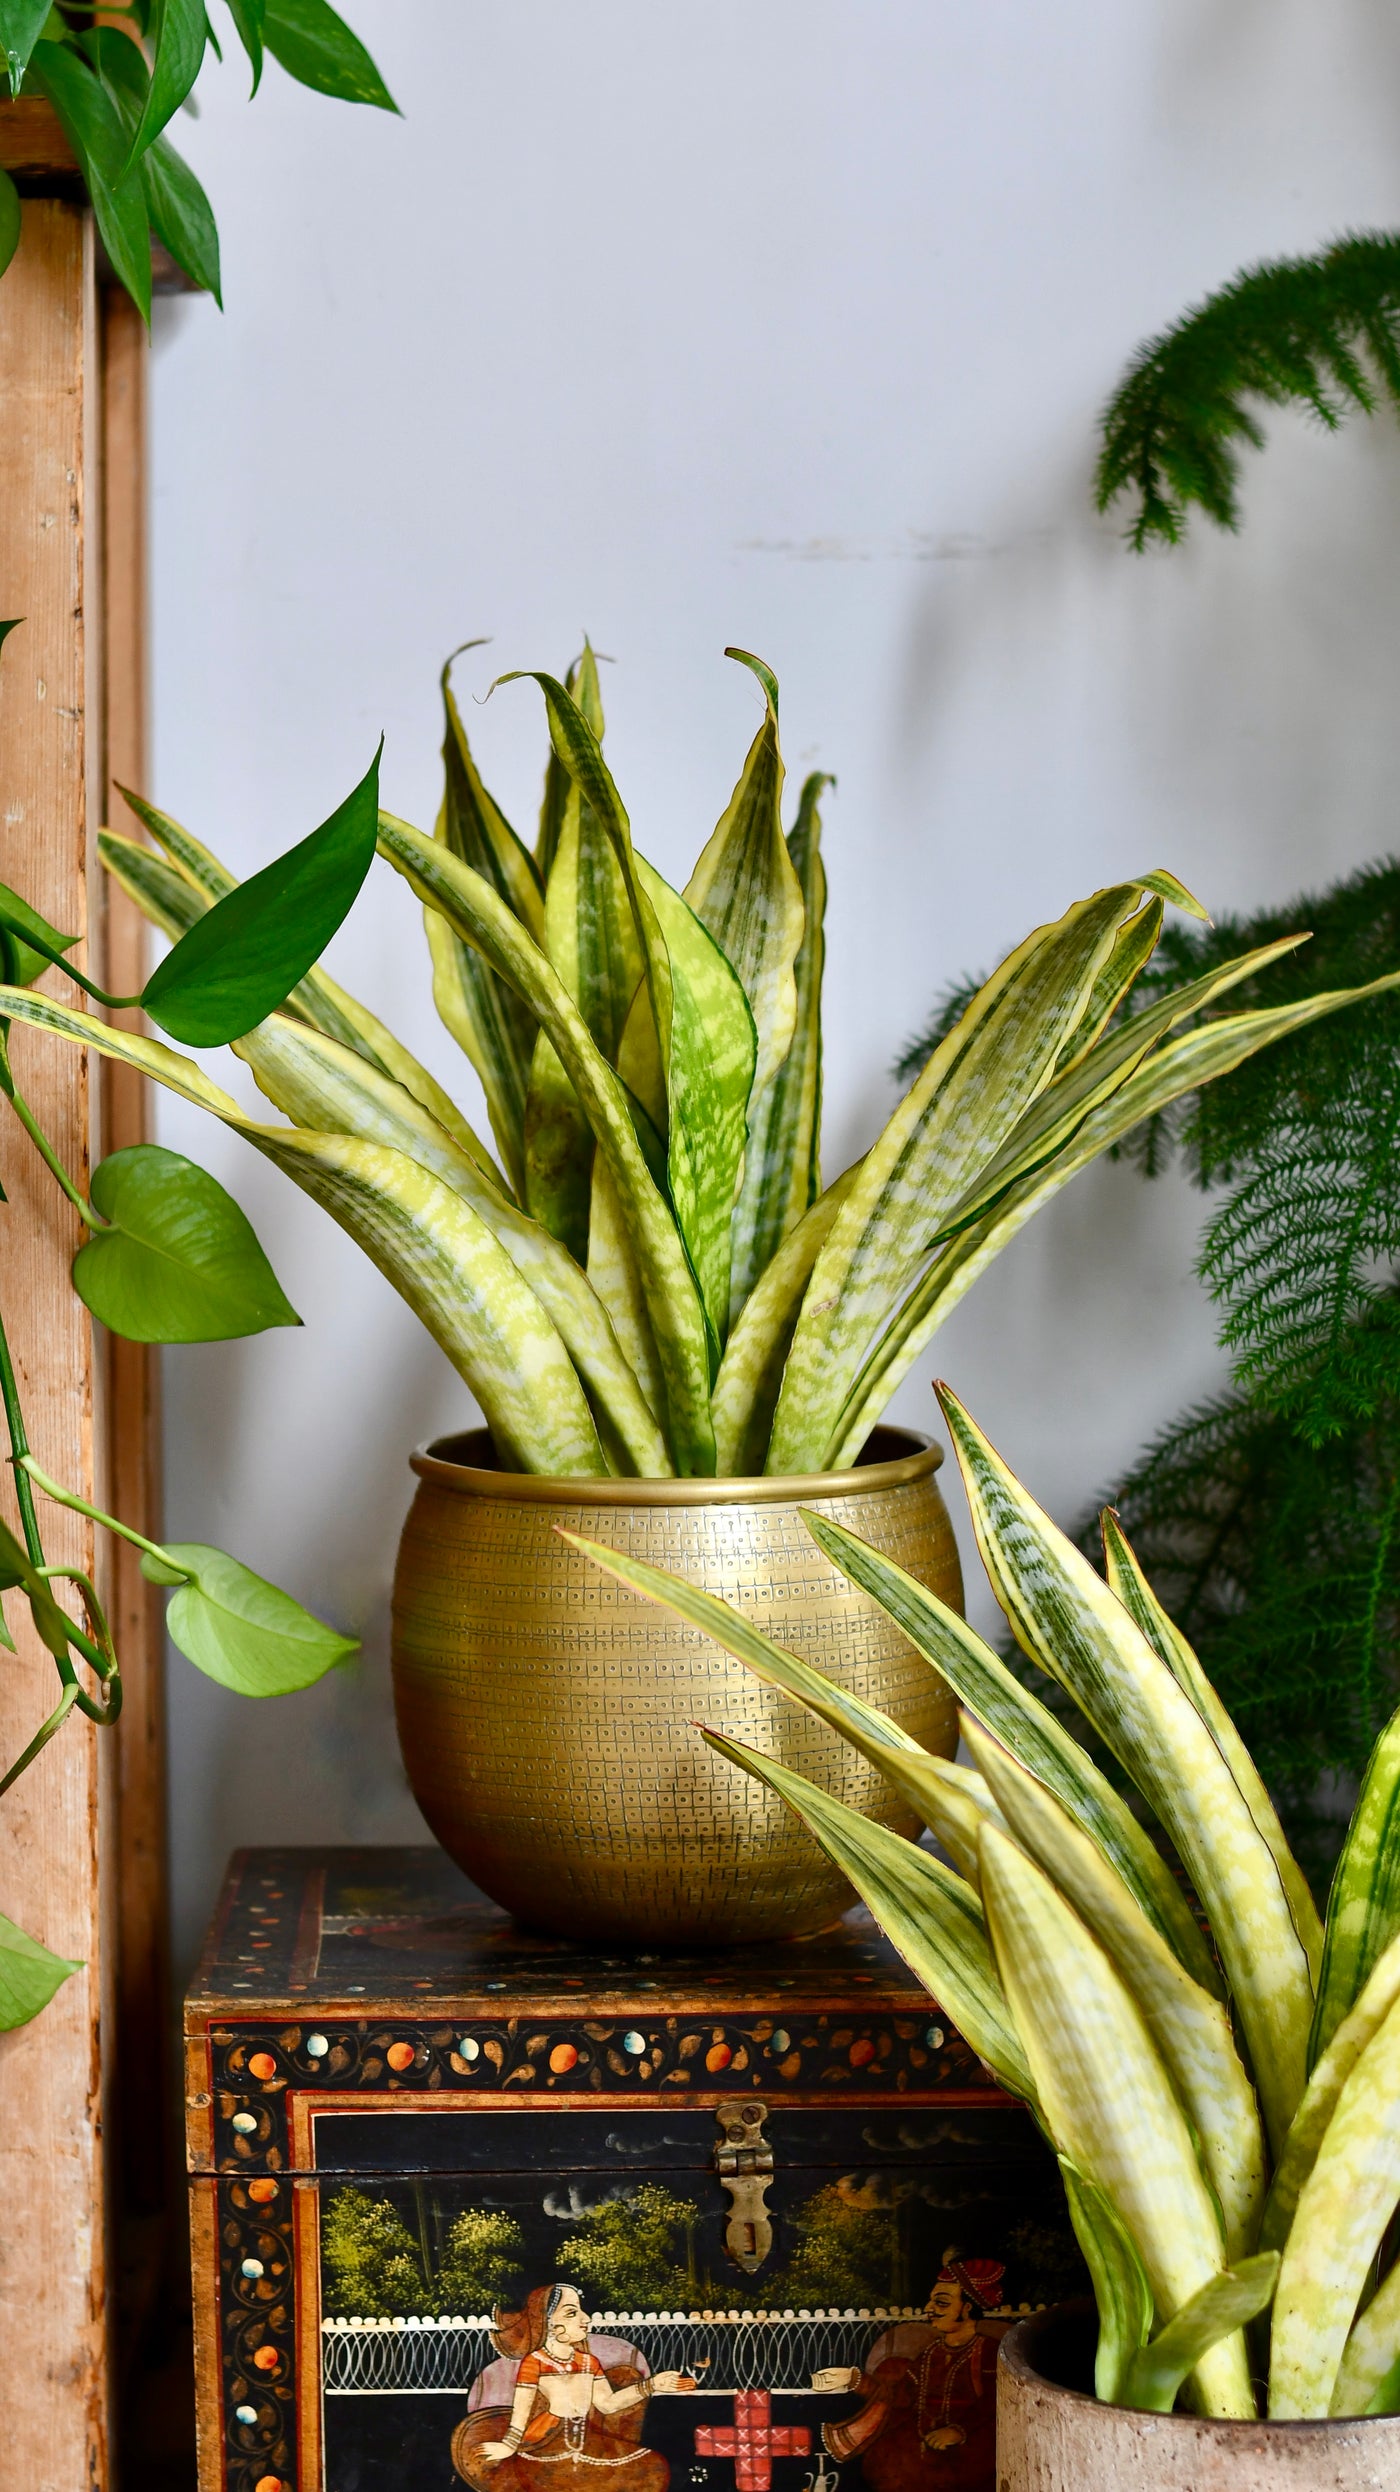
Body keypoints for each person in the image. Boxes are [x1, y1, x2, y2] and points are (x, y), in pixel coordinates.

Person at [452, 2282, 695, 2492]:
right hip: (547, 2445)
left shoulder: (588, 2362)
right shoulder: (535, 2362)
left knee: (654, 2466)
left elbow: (608, 2404)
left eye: (581, 2311)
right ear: (548, 2323)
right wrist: (508, 2445)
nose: (585, 2319)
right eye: (571, 2313)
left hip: (588, 2443)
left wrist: (652, 2385)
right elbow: (521, 2414)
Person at [808, 2258, 1005, 2492]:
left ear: (967, 2307)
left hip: (972, 2455)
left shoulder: (988, 2351)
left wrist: (958, 2432)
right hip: (922, 2454)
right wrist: (853, 2379)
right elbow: (900, 2397)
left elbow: (995, 2404)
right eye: (932, 2301)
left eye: (941, 2303)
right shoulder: (930, 2354)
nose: (929, 2309)